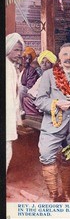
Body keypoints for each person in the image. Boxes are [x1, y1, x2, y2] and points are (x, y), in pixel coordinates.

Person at [35, 43, 70, 202]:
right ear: (59, 57)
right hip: (53, 125)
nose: (68, 58)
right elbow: (40, 101)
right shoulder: (48, 75)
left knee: (69, 159)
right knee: (47, 156)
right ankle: (53, 196)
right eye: (65, 54)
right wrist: (56, 103)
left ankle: (66, 194)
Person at [6, 33, 25, 172]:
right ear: (8, 49)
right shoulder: (8, 68)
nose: (19, 53)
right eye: (16, 50)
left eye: (20, 50)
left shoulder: (12, 67)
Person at [23, 50, 57, 116]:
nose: (44, 64)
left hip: (49, 99)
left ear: (51, 64)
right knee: (26, 99)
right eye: (42, 62)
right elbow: (33, 89)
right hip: (39, 97)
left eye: (47, 62)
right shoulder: (41, 77)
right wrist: (32, 95)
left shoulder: (54, 75)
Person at [19, 46, 39, 114]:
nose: (27, 61)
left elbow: (29, 87)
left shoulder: (31, 70)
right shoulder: (14, 67)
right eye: (26, 58)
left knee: (21, 89)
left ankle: (20, 110)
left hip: (27, 91)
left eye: (29, 59)